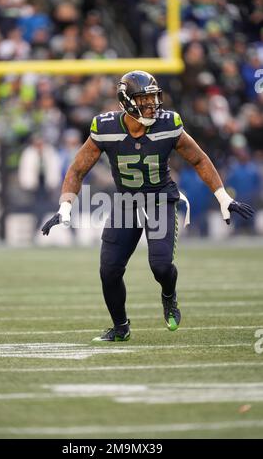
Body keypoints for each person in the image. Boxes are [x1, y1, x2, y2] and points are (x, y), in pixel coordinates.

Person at [41, 70, 254, 341]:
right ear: (127, 102)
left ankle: (169, 295)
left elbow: (199, 159)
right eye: (144, 99)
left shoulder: (168, 124)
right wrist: (65, 208)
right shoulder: (105, 127)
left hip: (160, 199)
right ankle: (120, 327)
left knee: (161, 266)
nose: (152, 104)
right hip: (126, 203)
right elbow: (77, 170)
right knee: (109, 270)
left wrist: (224, 197)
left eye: (153, 98)